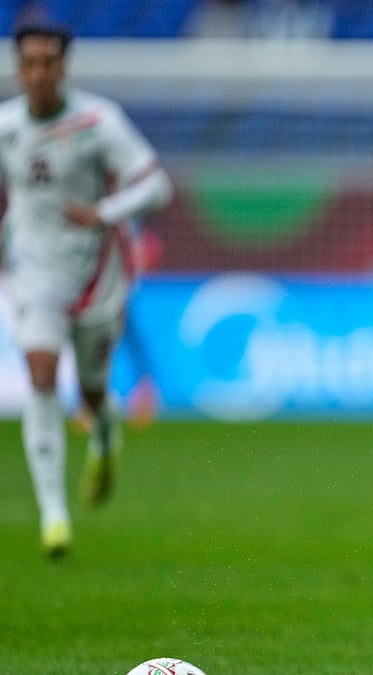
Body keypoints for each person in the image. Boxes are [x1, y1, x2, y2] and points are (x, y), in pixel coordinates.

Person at [0, 23, 173, 558]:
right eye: (29, 63)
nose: (38, 73)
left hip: (96, 273)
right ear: (18, 69)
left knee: (93, 391)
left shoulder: (99, 122)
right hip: (33, 271)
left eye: (48, 63)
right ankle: (54, 515)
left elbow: (157, 186)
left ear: (64, 67)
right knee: (41, 374)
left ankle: (103, 433)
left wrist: (105, 212)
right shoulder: (5, 127)